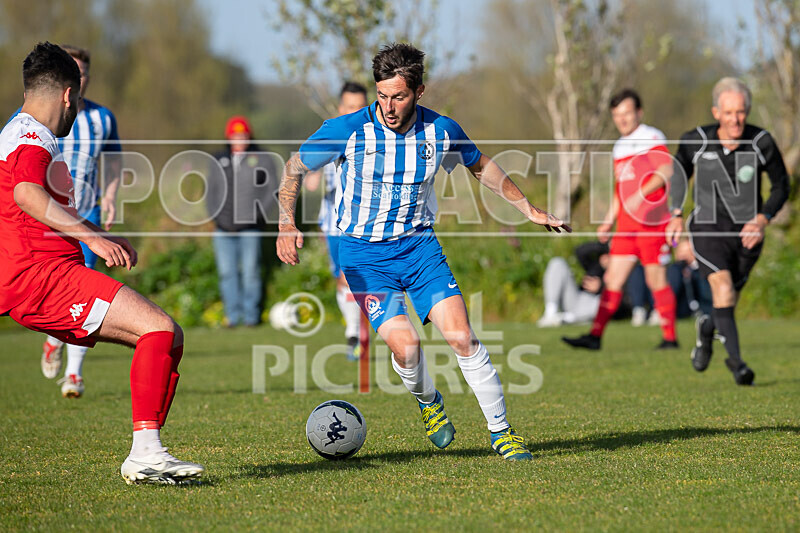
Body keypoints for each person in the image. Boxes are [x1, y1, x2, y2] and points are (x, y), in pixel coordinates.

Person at [277, 43, 570, 461]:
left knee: (462, 337)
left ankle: (502, 432)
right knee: (408, 347)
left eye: (398, 97)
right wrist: (286, 224)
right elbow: (294, 167)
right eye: (382, 96)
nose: (388, 107)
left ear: (419, 91)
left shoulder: (441, 130)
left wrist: (529, 208)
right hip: (363, 257)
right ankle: (429, 402)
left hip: (419, 249)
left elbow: (480, 165)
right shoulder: (347, 130)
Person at [1, 42, 203, 484]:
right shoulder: (31, 139)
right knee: (157, 328)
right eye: (77, 98)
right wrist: (91, 237)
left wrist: (100, 232)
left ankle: (148, 450)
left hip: (47, 274)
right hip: (43, 279)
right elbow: (26, 195)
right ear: (68, 95)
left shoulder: (22, 132)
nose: (77, 110)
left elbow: (36, 206)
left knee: (170, 336)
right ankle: (146, 453)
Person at [666, 77, 790, 385]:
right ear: (716, 113)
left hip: (748, 233)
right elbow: (678, 175)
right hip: (707, 227)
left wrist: (762, 219)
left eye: (741, 112)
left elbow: (781, 185)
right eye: (729, 112)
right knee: (722, 288)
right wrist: (676, 214)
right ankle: (737, 364)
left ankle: (707, 328)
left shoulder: (761, 142)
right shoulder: (696, 140)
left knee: (727, 299)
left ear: (747, 111)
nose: (735, 119)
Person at [30, 45, 123, 398]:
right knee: (52, 290)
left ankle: (74, 374)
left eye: (83, 72)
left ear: (88, 77)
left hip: (87, 216)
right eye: (73, 72)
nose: (79, 78)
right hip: (47, 218)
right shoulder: (41, 114)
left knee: (85, 290)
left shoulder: (103, 118)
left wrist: (110, 196)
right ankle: (53, 338)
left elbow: (114, 161)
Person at [563, 89, 678, 351]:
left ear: (639, 112)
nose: (622, 120)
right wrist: (608, 220)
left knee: (655, 280)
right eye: (617, 115)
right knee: (612, 280)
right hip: (626, 226)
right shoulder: (619, 147)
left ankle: (670, 338)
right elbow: (620, 189)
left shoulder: (651, 137)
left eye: (627, 113)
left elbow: (666, 169)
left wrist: (641, 193)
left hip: (652, 224)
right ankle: (595, 337)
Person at [304, 82, 369, 360]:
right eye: (349, 107)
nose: (354, 112)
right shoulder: (331, 134)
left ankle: (362, 329)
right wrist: (314, 173)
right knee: (343, 280)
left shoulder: (376, 135)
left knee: (359, 277)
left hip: (368, 221)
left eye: (360, 107)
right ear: (341, 108)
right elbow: (309, 179)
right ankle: (354, 331)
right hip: (334, 223)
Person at [206, 116, 277, 327]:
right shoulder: (218, 159)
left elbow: (271, 190)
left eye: (243, 135)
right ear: (228, 137)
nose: (240, 139)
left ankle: (251, 317)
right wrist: (216, 216)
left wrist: (258, 214)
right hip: (222, 229)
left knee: (250, 272)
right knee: (227, 273)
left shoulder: (262, 158)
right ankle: (232, 316)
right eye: (235, 135)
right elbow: (210, 192)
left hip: (250, 228)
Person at [538, 241, 608, 327]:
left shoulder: (621, 271)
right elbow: (580, 251)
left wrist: (601, 287)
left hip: (595, 304)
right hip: (577, 299)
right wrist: (607, 247)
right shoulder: (596, 266)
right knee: (557, 262)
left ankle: (565, 318)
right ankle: (550, 313)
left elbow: (621, 301)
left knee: (606, 302)